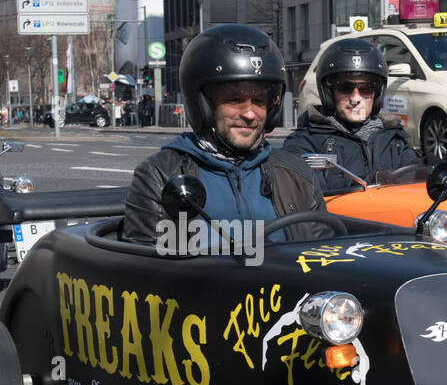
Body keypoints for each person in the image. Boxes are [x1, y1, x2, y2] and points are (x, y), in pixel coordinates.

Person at [123, 23, 330, 246]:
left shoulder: (297, 175)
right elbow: (146, 270)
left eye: (259, 101)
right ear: (203, 105)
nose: (250, 113)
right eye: (235, 99)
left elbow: (326, 258)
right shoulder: (161, 175)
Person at [283, 38, 420, 193]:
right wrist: (370, 181)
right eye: (345, 87)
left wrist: (429, 169)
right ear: (329, 93)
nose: (355, 98)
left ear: (377, 93)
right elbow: (310, 195)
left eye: (366, 88)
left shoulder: (394, 140)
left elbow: (416, 187)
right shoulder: (304, 143)